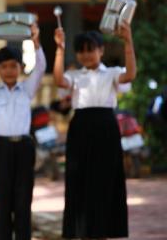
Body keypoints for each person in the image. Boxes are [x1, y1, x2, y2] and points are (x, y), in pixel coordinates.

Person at [53, 23, 136, 239]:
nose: (86, 54)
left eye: (91, 49)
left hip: (107, 129)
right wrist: (60, 49)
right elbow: (59, 80)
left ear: (101, 50)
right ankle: (81, 231)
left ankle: (103, 231)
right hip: (80, 128)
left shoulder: (112, 73)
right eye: (81, 50)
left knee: (105, 181)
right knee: (79, 181)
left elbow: (130, 76)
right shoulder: (75, 76)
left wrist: (128, 41)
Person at [0, 23, 46, 240]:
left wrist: (36, 43)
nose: (9, 70)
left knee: (24, 200)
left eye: (13, 66)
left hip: (24, 147)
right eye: (4, 66)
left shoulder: (26, 90)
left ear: (21, 68)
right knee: (3, 200)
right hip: (2, 148)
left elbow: (41, 67)